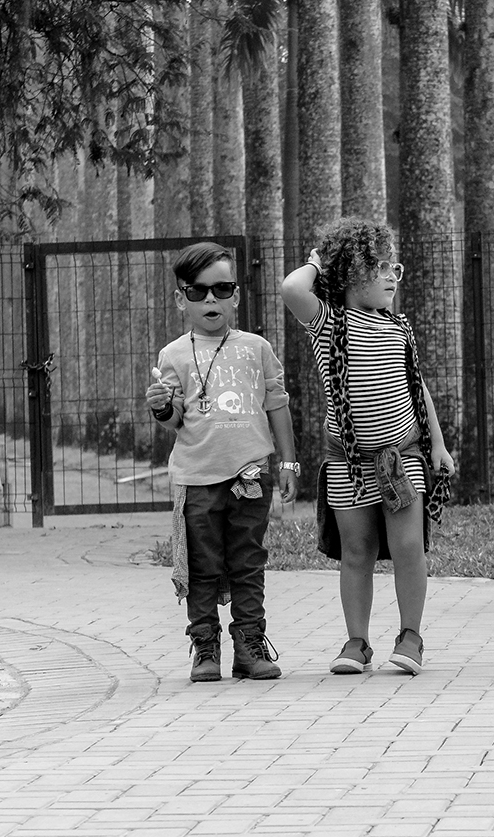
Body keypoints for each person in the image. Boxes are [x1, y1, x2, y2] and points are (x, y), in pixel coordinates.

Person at [281, 218, 455, 676]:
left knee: (408, 547)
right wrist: (318, 263)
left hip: (402, 460)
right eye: (379, 267)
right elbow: (292, 288)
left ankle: (410, 636)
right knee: (356, 552)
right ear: (348, 272)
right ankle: (357, 642)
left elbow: (417, 387)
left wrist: (437, 443)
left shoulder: (398, 327)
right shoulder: (328, 323)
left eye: (394, 267)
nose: (391, 276)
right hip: (349, 464)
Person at [146, 242, 299, 684]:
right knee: (203, 566)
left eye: (222, 289)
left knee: (248, 562)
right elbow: (175, 419)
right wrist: (161, 406)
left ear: (236, 295)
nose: (210, 299)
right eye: (198, 292)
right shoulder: (173, 355)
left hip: (251, 474)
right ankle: (205, 647)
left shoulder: (256, 348)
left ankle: (250, 646)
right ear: (181, 300)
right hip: (197, 478)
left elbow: (277, 404)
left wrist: (288, 463)